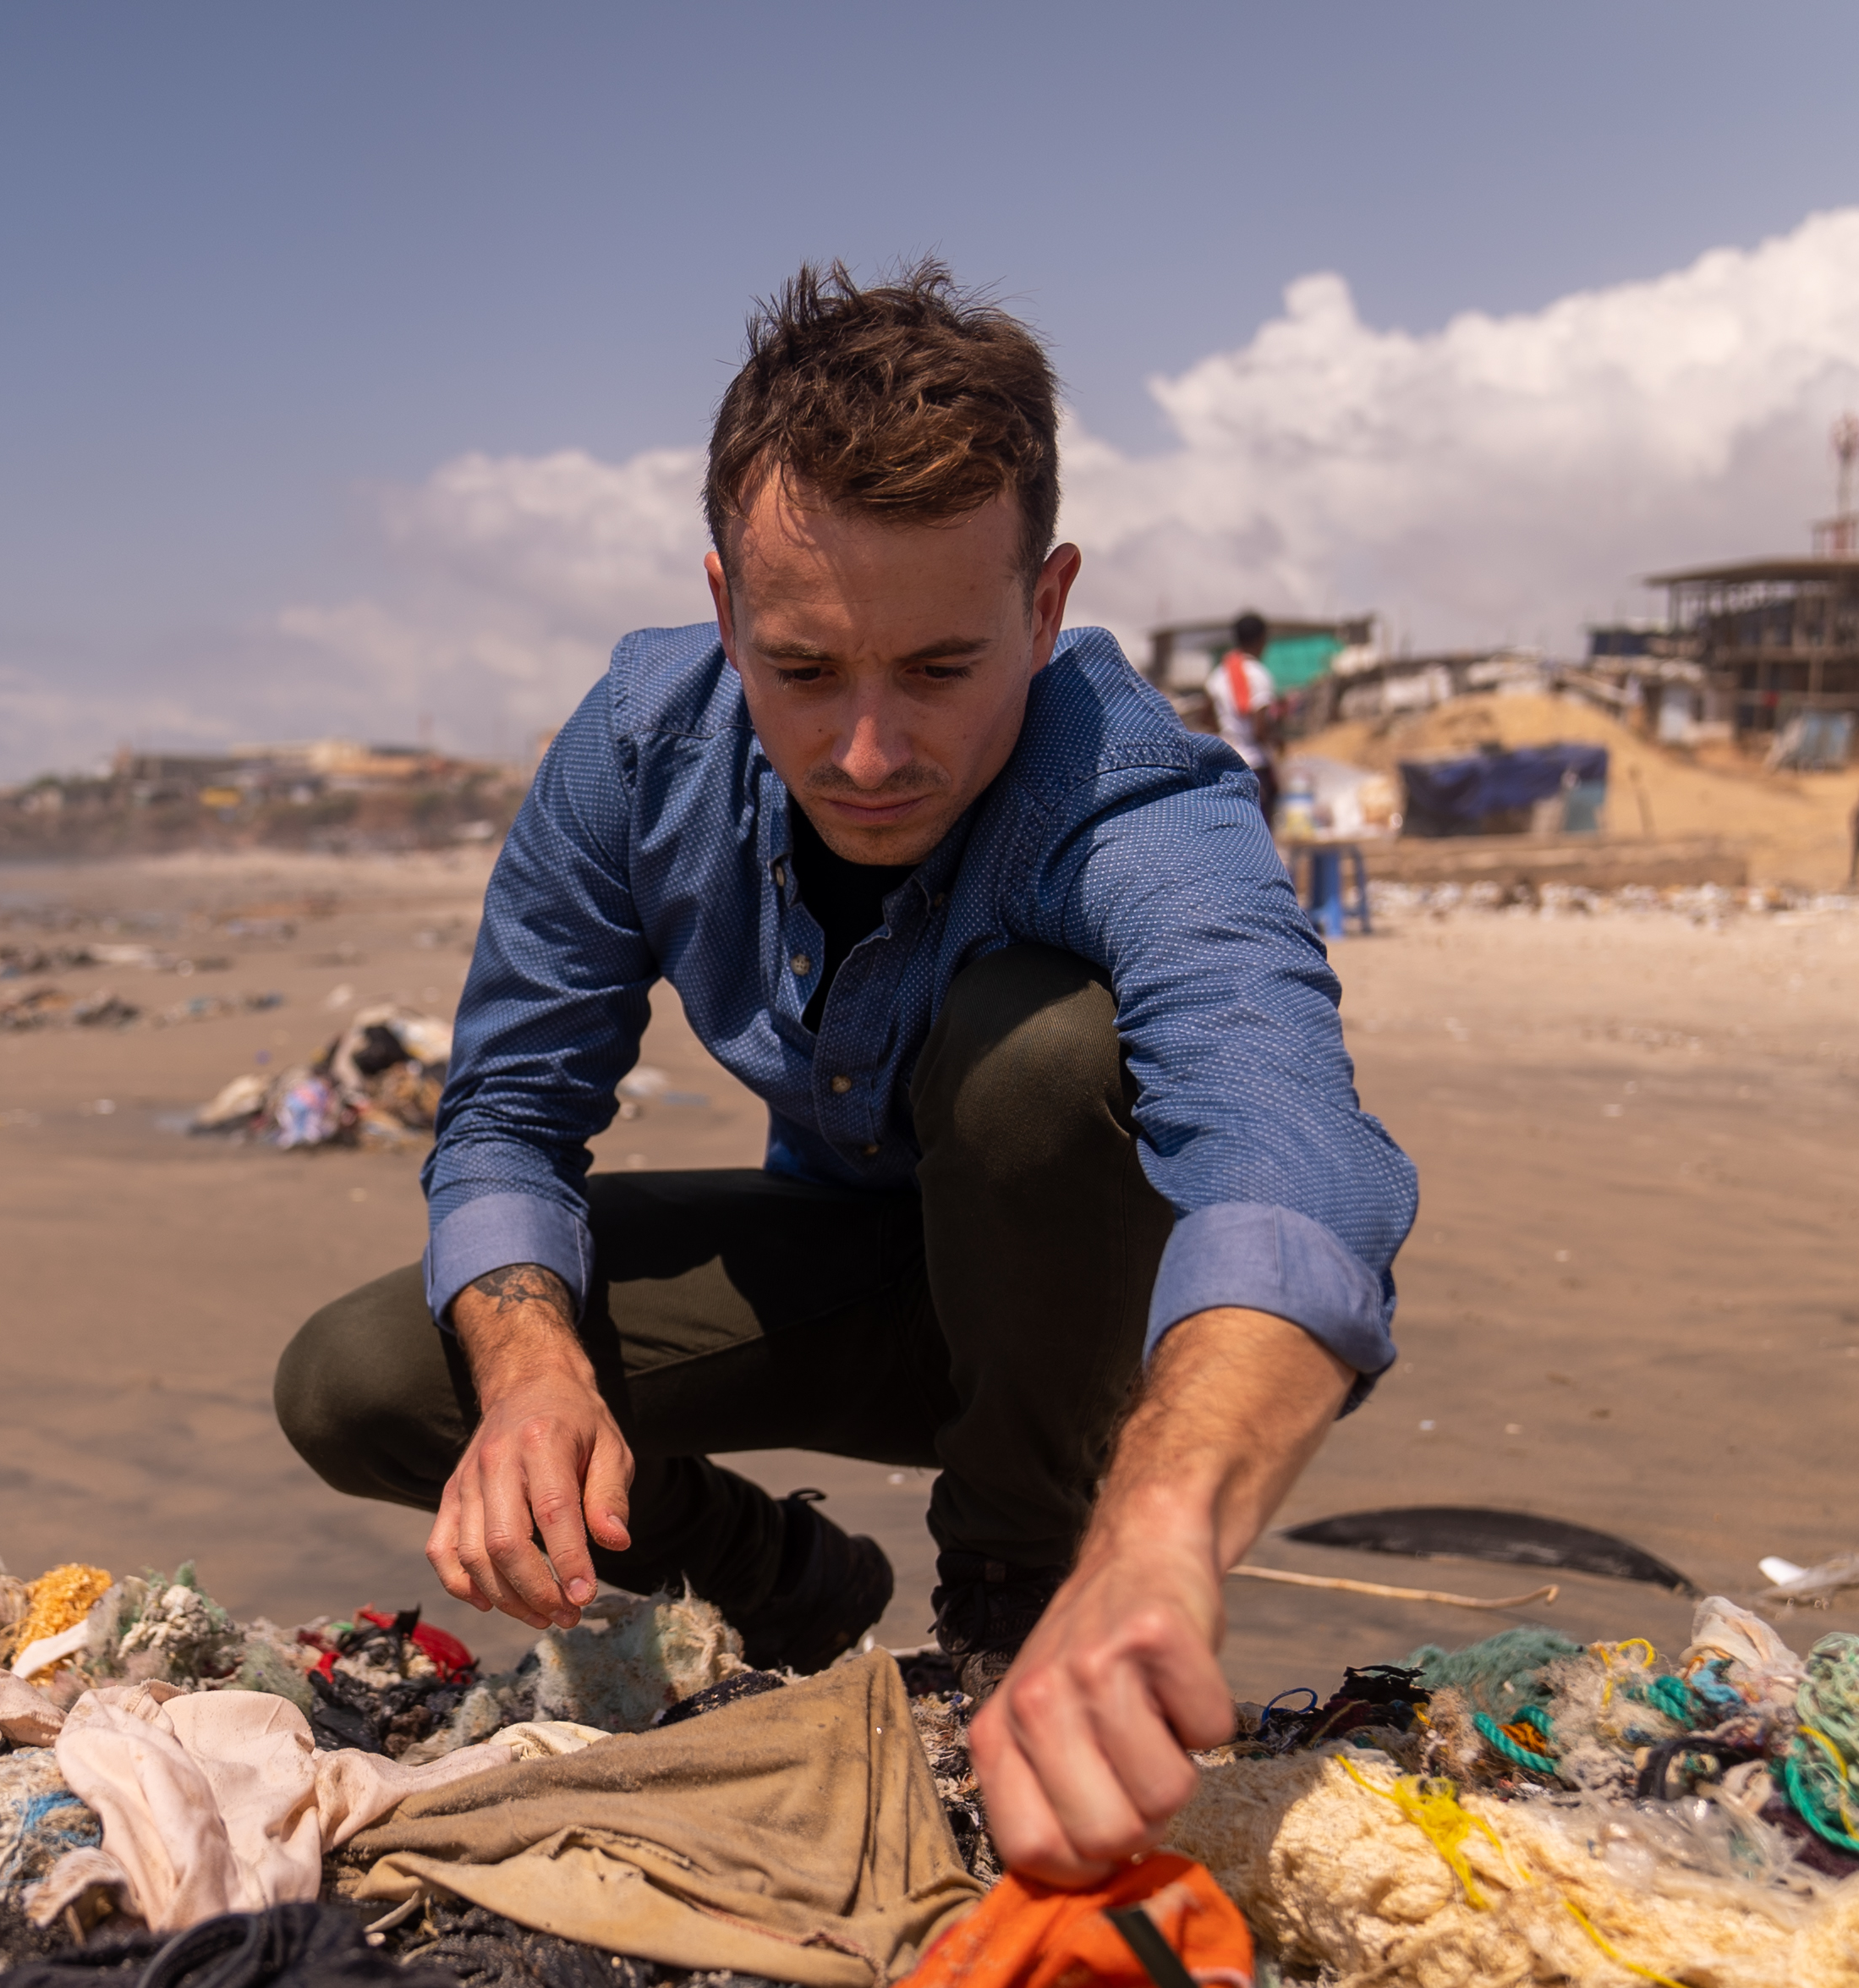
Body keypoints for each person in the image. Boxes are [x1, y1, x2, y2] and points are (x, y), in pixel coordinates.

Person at [272, 263, 1418, 1881]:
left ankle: (1016, 1608)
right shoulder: (637, 746)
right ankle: (783, 1573)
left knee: (1044, 1052)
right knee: (368, 1377)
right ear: (727, 601)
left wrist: (1158, 1533)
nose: (868, 755)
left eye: (942, 670)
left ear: (1044, 604)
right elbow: (513, 1116)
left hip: (1082, 1325)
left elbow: (1296, 1165)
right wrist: (534, 1376)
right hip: (857, 1285)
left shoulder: (1136, 797)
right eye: (804, 670)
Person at [1204, 612, 1278, 772]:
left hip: (1225, 762)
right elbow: (1260, 731)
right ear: (1261, 638)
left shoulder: (1218, 675)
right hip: (1254, 764)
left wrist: (1227, 734)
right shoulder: (1259, 674)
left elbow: (1206, 717)